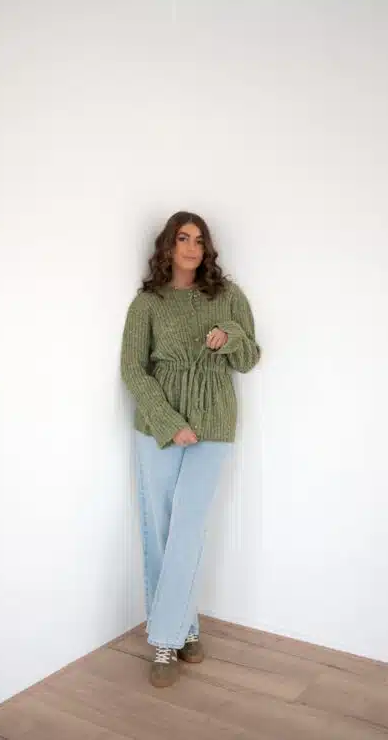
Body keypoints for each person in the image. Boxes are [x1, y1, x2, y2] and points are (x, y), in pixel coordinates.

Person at [120, 210, 261, 688]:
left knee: (187, 530)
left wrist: (231, 337)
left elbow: (250, 358)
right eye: (183, 238)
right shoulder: (147, 303)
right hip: (159, 426)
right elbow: (133, 369)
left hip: (214, 422)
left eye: (200, 240)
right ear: (168, 245)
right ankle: (187, 629)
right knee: (161, 529)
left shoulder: (227, 296)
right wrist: (169, 422)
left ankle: (164, 640)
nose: (192, 248)